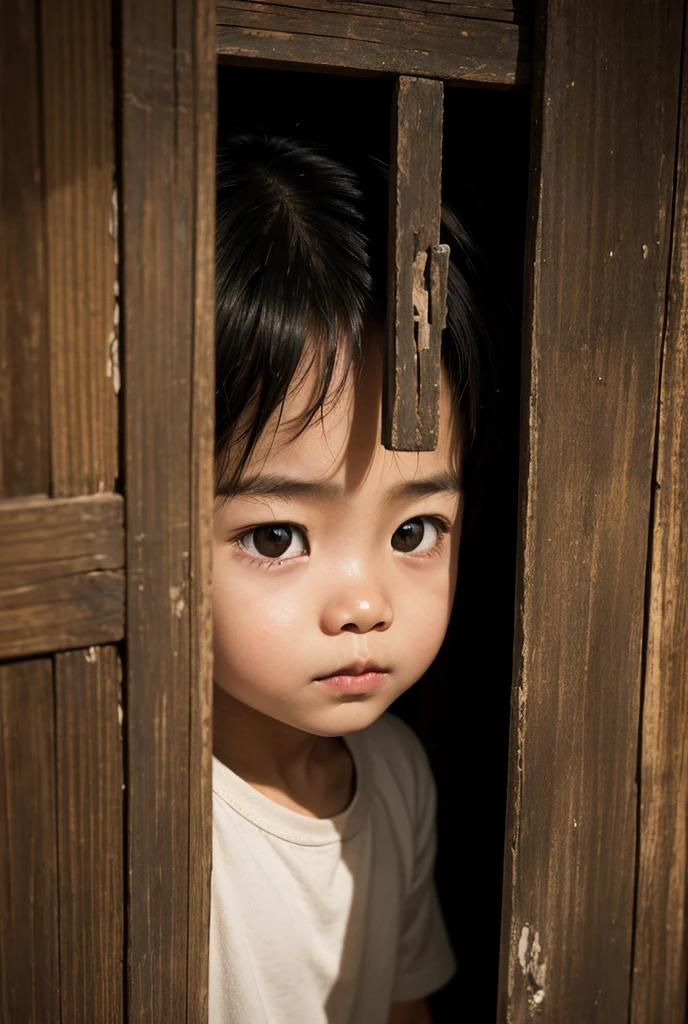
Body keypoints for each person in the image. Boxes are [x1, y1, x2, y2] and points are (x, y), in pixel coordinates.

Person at [210, 134, 494, 1024]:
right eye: (277, 536)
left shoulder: (396, 775)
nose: (366, 605)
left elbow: (407, 1002)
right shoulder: (141, 810)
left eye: (415, 529)